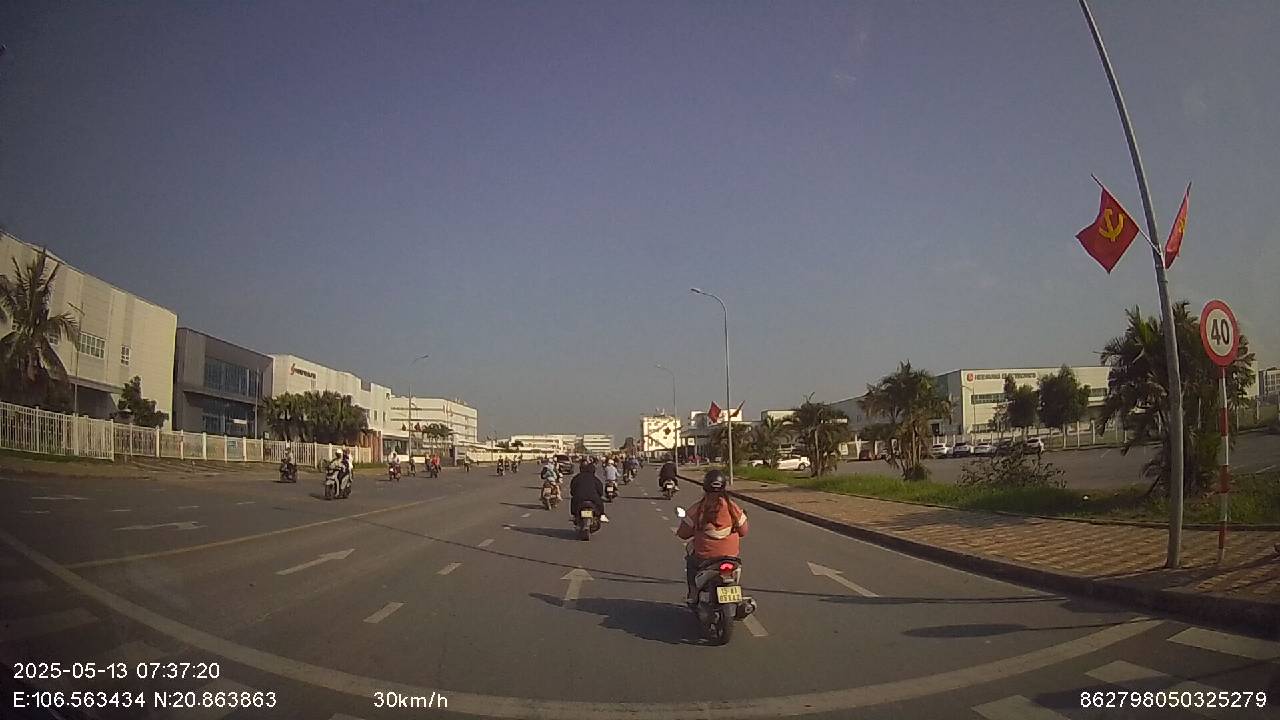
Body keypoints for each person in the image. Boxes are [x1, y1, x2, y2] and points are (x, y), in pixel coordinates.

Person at [676, 469, 748, 605]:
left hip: (705, 559)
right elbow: (743, 531)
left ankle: (693, 593)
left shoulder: (697, 509)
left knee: (690, 560)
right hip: (731, 558)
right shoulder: (733, 508)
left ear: (705, 487)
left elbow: (683, 534)